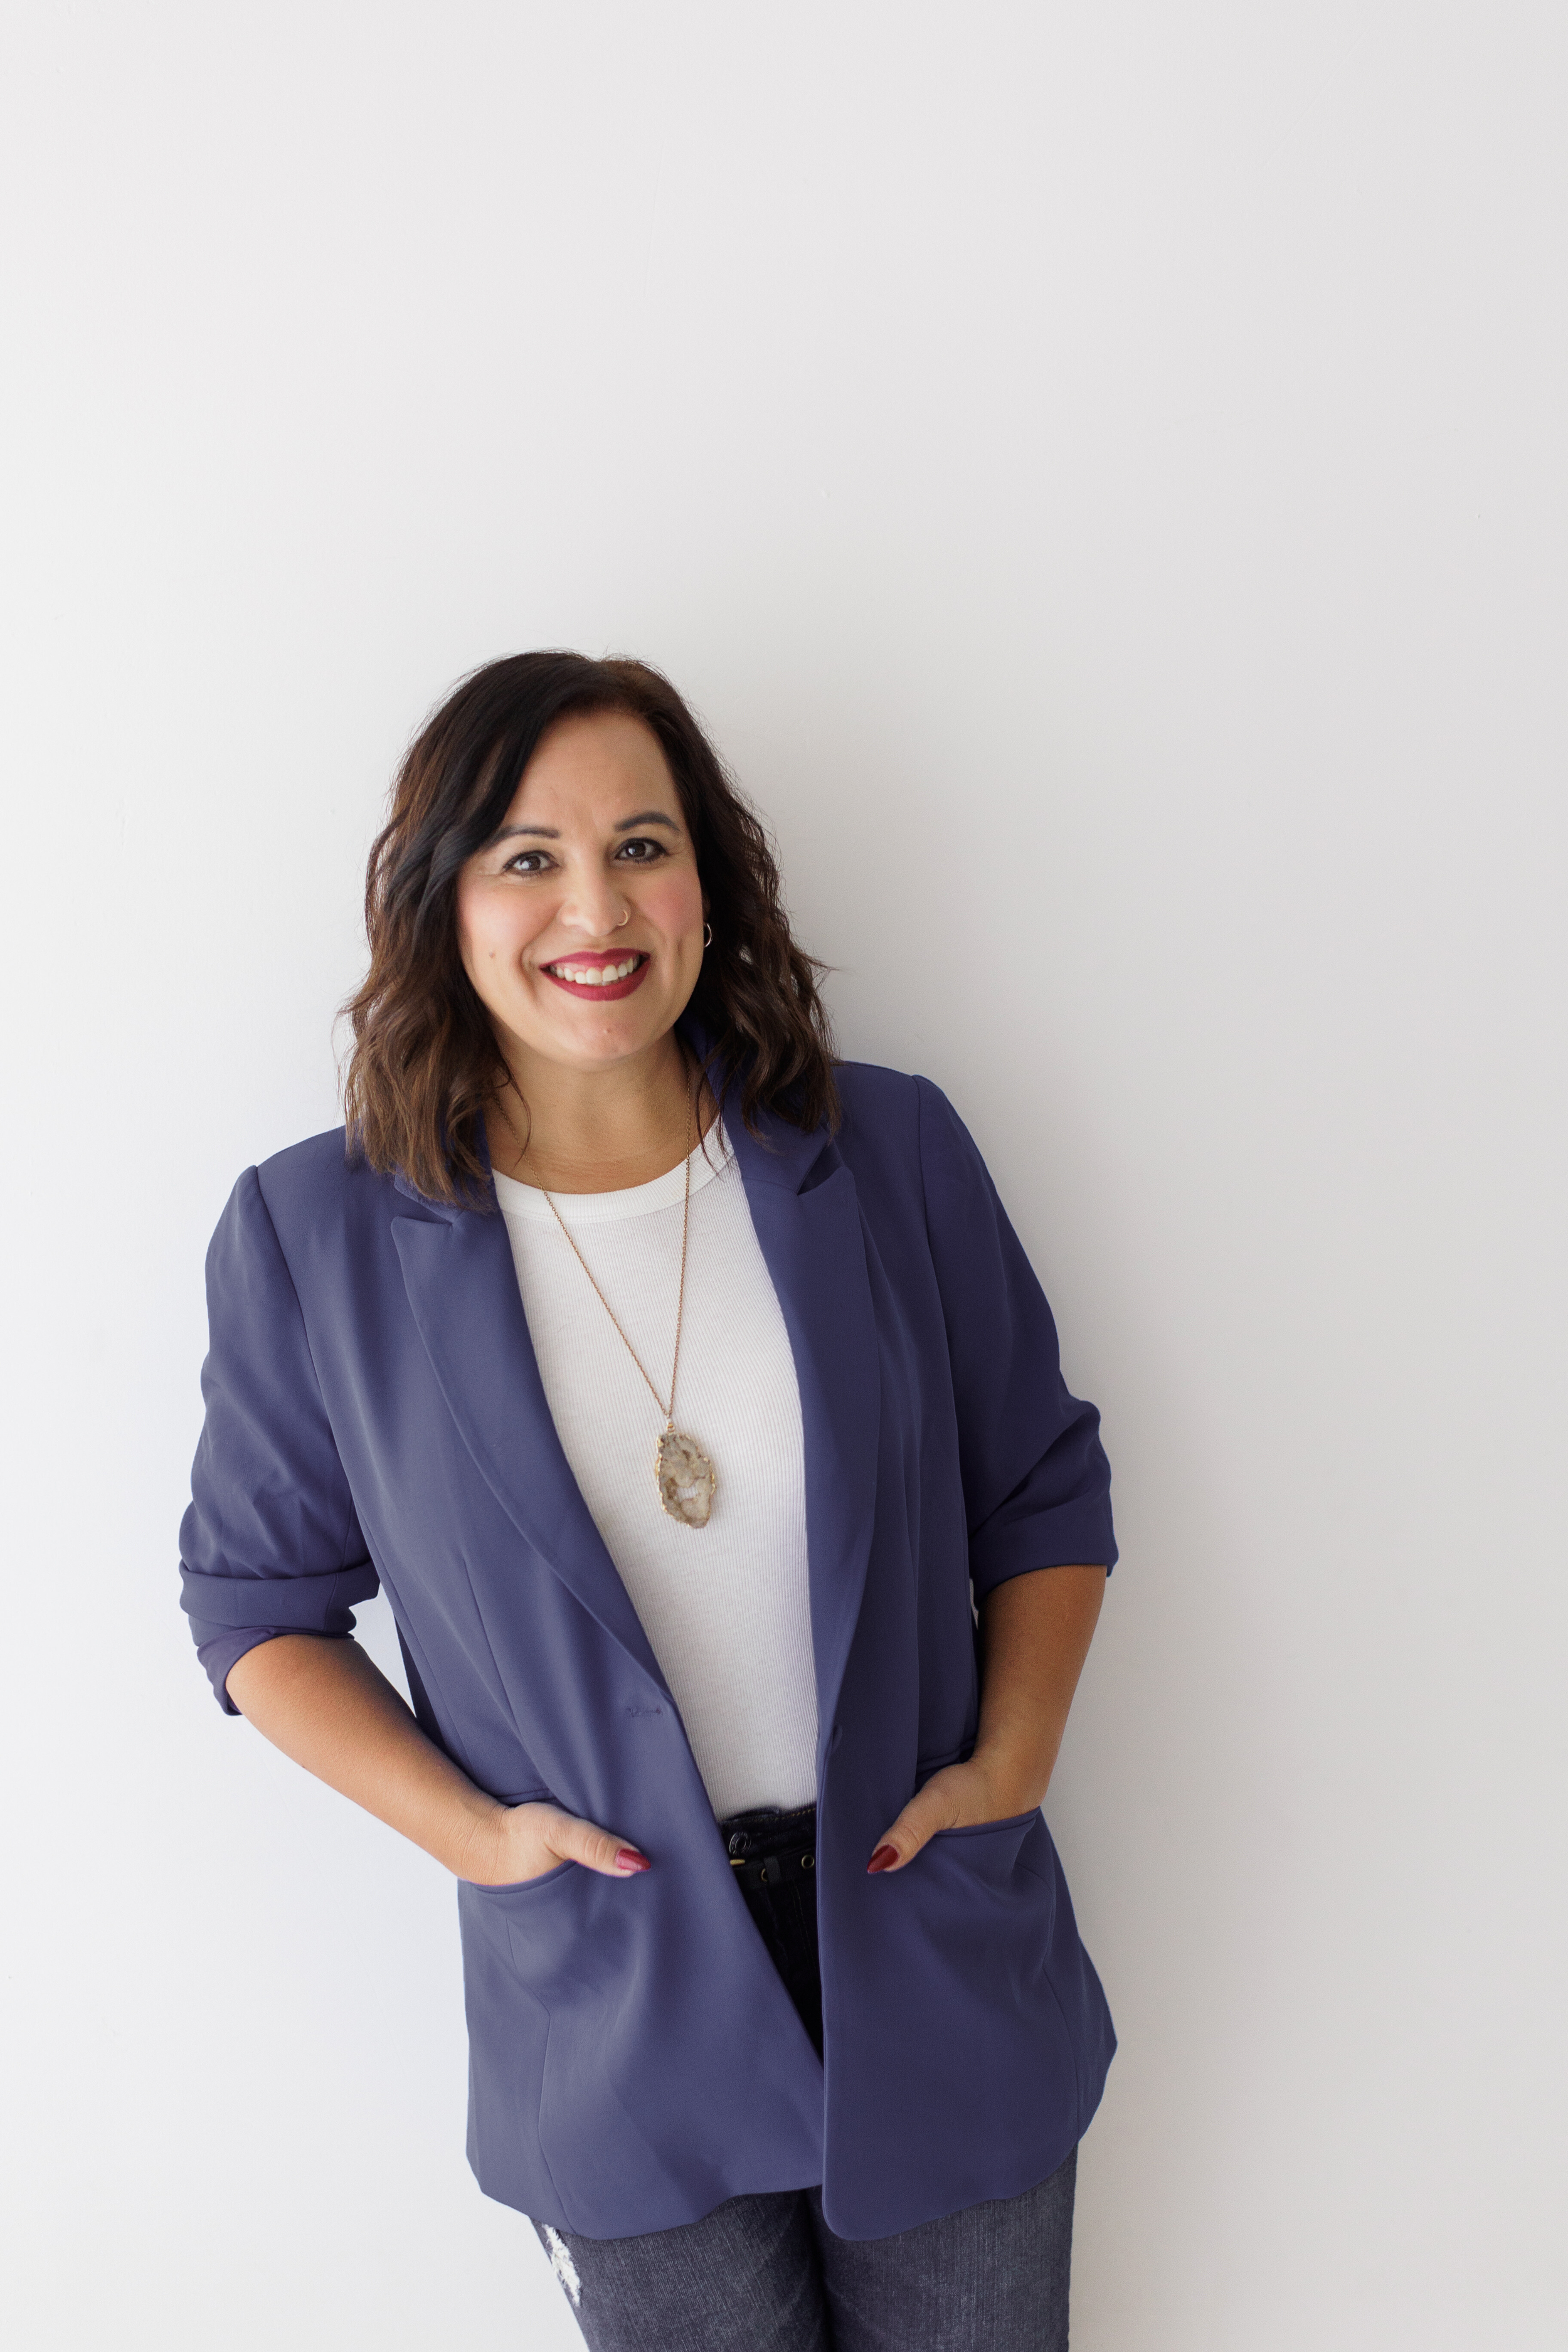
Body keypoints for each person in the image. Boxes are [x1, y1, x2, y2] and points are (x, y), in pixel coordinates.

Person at [179, 651, 1118, 2352]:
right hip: (614, 1993)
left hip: (927, 1933)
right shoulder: (314, 1235)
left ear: (711, 880)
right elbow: (254, 1607)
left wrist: (1015, 1760)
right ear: (440, 901)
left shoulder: (887, 1152)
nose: (592, 904)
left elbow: (1041, 1486)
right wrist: (474, 1836)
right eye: (525, 856)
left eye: (641, 843)